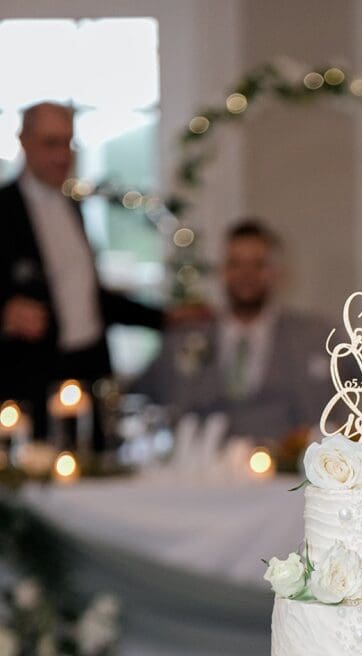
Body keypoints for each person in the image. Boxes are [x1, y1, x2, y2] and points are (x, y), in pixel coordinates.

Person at [0, 102, 164, 444]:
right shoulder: (3, 210)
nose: (62, 154)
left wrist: (166, 318)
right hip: (28, 382)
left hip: (88, 374)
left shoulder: (73, 207)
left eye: (68, 143)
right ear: (23, 141)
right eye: (51, 143)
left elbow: (89, 297)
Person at [137, 219, 335, 441]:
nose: (246, 274)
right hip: (202, 465)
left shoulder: (312, 336)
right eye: (235, 264)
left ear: (275, 273)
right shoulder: (186, 335)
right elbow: (139, 393)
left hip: (284, 465)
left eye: (257, 264)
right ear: (222, 271)